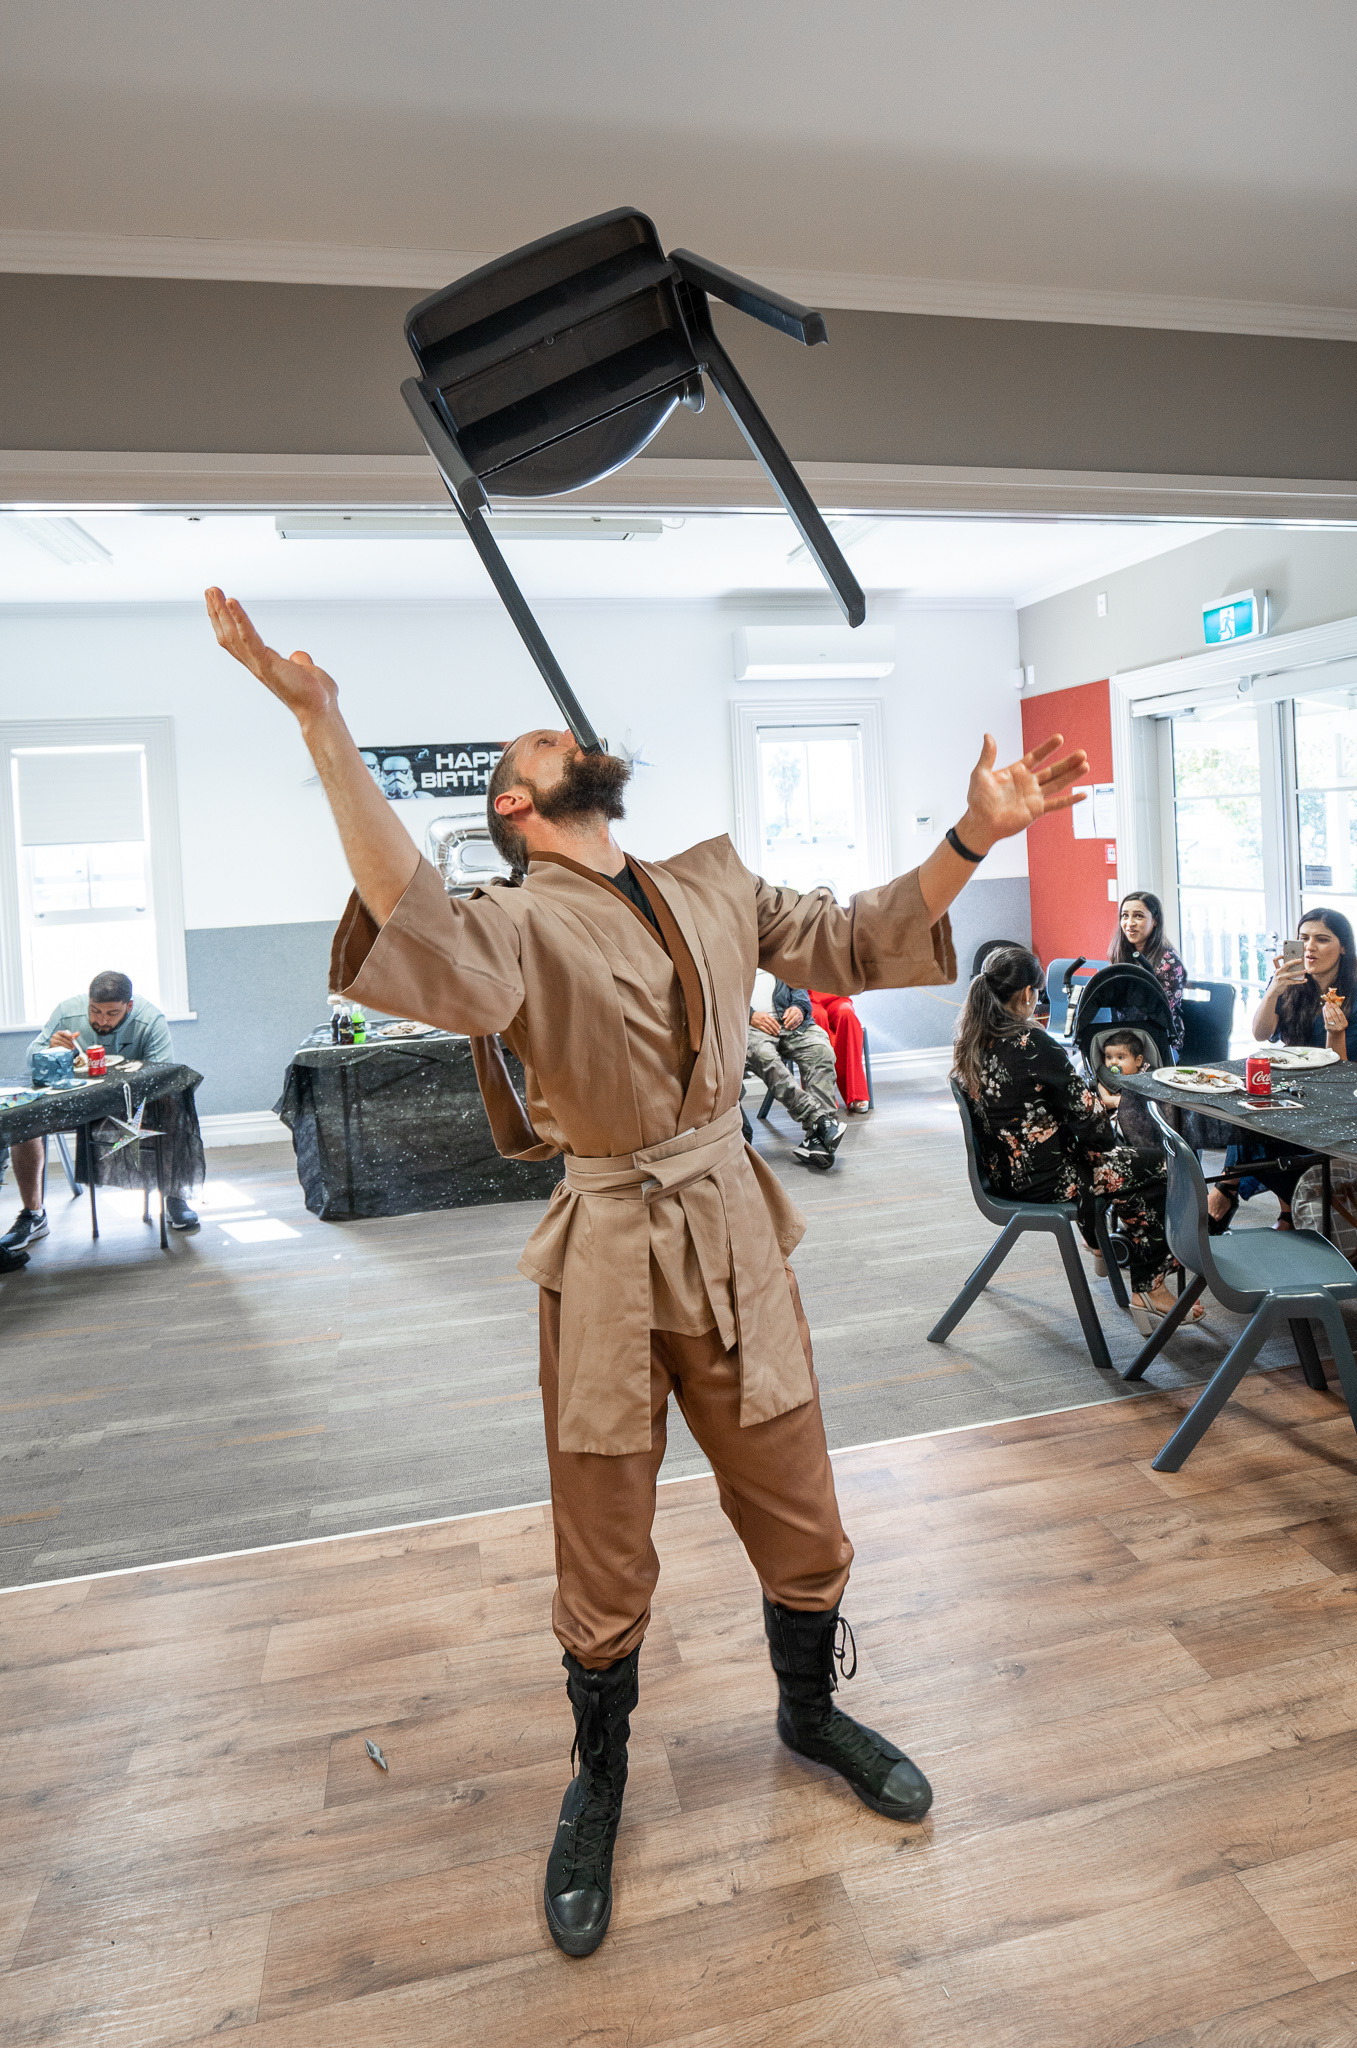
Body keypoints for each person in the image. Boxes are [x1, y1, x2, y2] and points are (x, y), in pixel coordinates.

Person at [206, 583, 1087, 1959]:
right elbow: (404, 905)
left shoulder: (714, 881)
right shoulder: (510, 922)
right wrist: (325, 725)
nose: (562, 732)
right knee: (603, 1533)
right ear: (516, 806)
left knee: (798, 1497)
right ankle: (600, 1776)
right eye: (536, 743)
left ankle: (809, 1711)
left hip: (734, 1225)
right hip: (611, 1242)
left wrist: (973, 834)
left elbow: (859, 934)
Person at [953, 946, 1200, 1329]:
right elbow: (1098, 1134)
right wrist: (1099, 1106)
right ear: (1028, 994)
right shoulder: (1033, 1044)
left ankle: (1107, 1247)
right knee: (1165, 1166)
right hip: (1049, 1180)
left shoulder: (972, 1041)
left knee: (1130, 1171)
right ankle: (1148, 1285)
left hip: (1003, 1175)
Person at [0, 970, 199, 1249]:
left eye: (112, 1013)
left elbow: (161, 1076)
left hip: (126, 1101)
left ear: (129, 1006)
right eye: (95, 1011)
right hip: (72, 1099)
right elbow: (33, 1057)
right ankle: (34, 1215)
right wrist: (52, 1049)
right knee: (24, 1116)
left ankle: (174, 1195)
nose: (101, 1020)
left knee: (171, 1102)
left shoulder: (150, 1020)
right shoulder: (67, 1012)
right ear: (88, 1001)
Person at [1211, 907, 1357, 1229]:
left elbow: (1342, 1073)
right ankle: (1280, 1207)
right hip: (1292, 1083)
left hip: (1335, 1095)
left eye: (1322, 939)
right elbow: (1261, 1033)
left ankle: (1229, 1188)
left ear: (1343, 947)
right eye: (1304, 938)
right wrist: (1273, 991)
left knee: (1267, 1124)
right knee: (1246, 1108)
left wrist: (1335, 1032)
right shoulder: (1290, 983)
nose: (1310, 947)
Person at [745, 974, 845, 1168]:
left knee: (821, 1050)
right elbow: (721, 997)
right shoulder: (733, 959)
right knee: (765, 1057)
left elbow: (801, 991)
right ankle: (819, 1121)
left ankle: (817, 1141)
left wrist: (798, 1008)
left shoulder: (781, 959)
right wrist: (749, 1015)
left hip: (792, 1027)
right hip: (752, 1029)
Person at [1110, 890, 1187, 1056]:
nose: (1129, 923)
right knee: (1079, 1065)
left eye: (1138, 916)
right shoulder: (1121, 955)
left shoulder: (1169, 963)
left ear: (1155, 921)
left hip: (1160, 1042)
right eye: (1125, 916)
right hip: (1124, 1039)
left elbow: (1158, 1011)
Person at [1095, 1028, 1164, 1155]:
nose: (1113, 1062)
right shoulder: (1106, 1080)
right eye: (1108, 1057)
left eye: (1120, 1057)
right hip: (1124, 1118)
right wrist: (1117, 1100)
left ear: (1138, 1061)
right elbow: (1105, 1100)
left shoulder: (1147, 1073)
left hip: (1151, 1114)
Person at [809, 988, 871, 1112]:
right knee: (817, 1017)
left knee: (847, 1014)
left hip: (836, 994)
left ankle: (857, 1093)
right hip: (806, 997)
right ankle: (822, 1097)